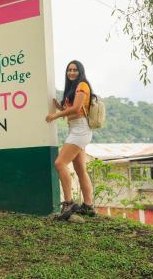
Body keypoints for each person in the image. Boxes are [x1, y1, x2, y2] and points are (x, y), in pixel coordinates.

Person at [45, 60, 97, 220]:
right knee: (80, 169)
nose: (72, 72)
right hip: (75, 129)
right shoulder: (73, 88)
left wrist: (56, 115)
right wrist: (59, 107)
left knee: (59, 163)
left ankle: (69, 203)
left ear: (80, 71)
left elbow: (75, 109)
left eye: (75, 70)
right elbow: (71, 109)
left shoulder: (82, 85)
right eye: (69, 70)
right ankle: (88, 206)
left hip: (80, 130)